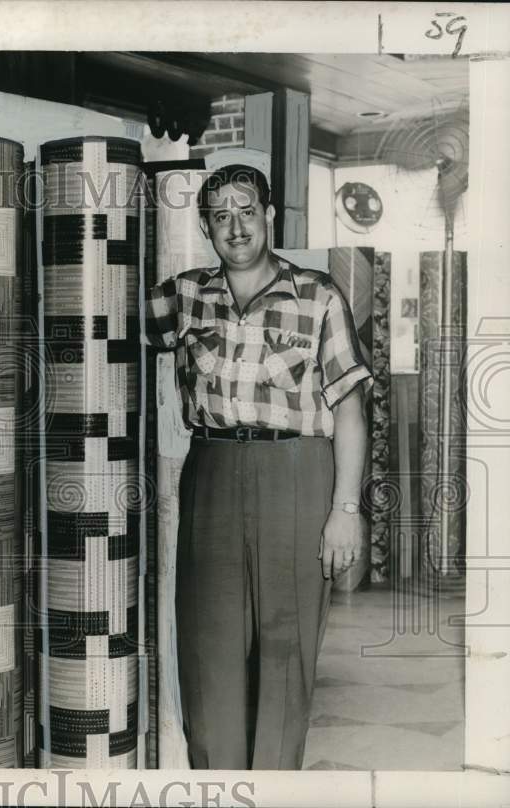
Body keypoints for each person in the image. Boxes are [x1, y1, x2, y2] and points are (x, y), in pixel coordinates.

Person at [146, 163, 370, 770]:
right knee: (208, 647)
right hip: (212, 472)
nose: (236, 227)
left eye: (247, 211)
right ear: (205, 227)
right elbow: (108, 329)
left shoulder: (319, 294)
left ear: (268, 216)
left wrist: (345, 511)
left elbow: (350, 408)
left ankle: (274, 788)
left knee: (285, 649)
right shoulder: (182, 296)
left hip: (297, 473)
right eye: (221, 216)